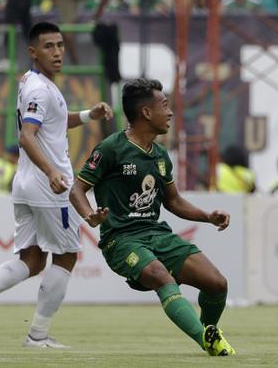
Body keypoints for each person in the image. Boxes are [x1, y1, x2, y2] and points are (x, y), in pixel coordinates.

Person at [0, 21, 114, 348]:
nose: (57, 52)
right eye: (48, 47)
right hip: (47, 186)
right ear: (33, 52)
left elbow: (52, 121)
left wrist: (87, 115)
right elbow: (27, 137)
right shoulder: (41, 88)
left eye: (60, 45)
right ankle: (37, 335)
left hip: (24, 184)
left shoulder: (33, 82)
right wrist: (54, 172)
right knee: (67, 255)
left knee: (33, 260)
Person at [69, 78, 235, 356]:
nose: (170, 113)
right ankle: (204, 340)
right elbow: (77, 188)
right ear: (146, 112)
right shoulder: (110, 148)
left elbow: (174, 201)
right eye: (165, 105)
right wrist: (90, 215)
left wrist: (208, 216)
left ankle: (207, 334)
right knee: (162, 277)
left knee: (217, 283)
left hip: (158, 235)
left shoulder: (160, 156)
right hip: (121, 241)